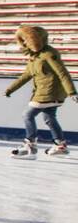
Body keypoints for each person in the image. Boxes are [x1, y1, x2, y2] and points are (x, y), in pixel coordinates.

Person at [5, 25, 77, 157]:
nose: (25, 42)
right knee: (49, 118)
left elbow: (62, 73)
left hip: (49, 92)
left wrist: (72, 92)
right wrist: (11, 89)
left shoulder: (49, 53)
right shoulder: (34, 56)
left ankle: (30, 145)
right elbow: (26, 75)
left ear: (36, 39)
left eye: (27, 39)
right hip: (46, 92)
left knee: (27, 115)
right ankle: (60, 145)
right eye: (23, 40)